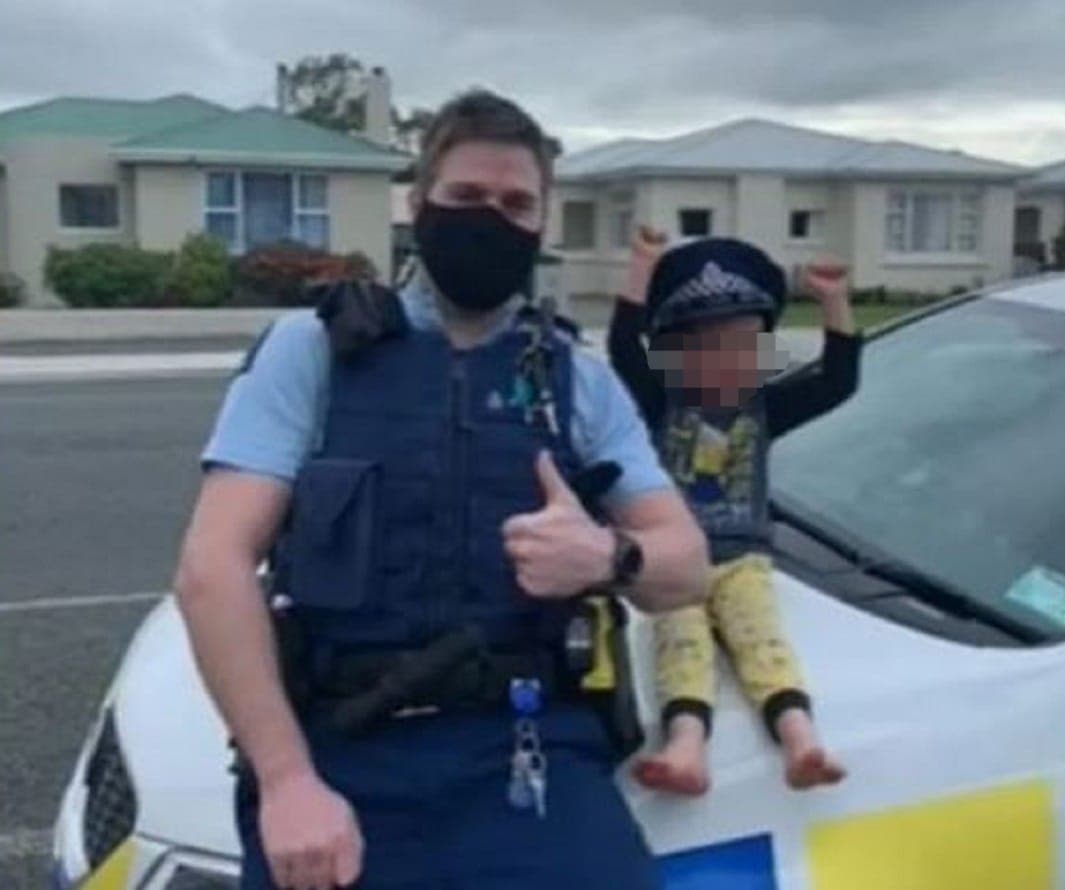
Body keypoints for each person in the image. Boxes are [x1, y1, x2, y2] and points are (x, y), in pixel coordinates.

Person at [173, 91, 709, 890]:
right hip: (337, 750)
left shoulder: (575, 379)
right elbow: (211, 568)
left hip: (526, 752)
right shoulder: (312, 352)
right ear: (419, 203)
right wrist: (286, 782)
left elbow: (688, 565)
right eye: (465, 198)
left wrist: (607, 554)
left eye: (516, 203)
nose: (491, 218)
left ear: (541, 223)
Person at [606, 227, 861, 796]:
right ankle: (686, 747)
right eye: (703, 346)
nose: (723, 362)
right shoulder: (660, 398)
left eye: (742, 346)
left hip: (744, 557)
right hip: (678, 560)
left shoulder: (764, 406)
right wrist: (643, 263)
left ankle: (801, 740)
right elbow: (625, 347)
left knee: (762, 639)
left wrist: (834, 301)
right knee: (680, 642)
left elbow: (837, 382)